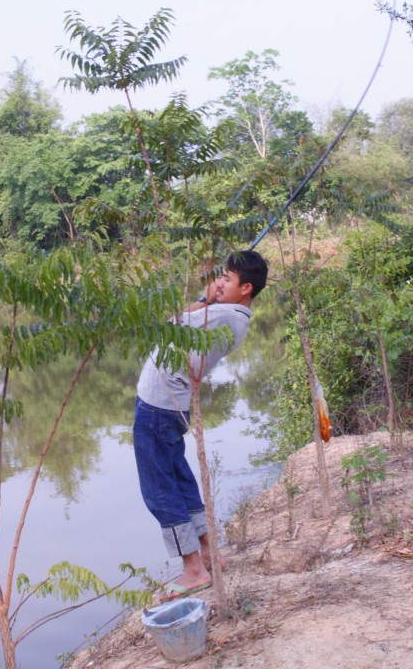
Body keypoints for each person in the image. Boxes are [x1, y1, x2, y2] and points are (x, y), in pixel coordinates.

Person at [133, 249, 268, 601]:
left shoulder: (223, 316)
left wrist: (201, 298)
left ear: (246, 289)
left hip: (157, 407)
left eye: (227, 280)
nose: (219, 284)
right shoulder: (230, 314)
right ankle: (208, 553)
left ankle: (193, 570)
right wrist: (209, 299)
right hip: (168, 406)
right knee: (178, 479)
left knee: (159, 489)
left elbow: (168, 327)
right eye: (220, 277)